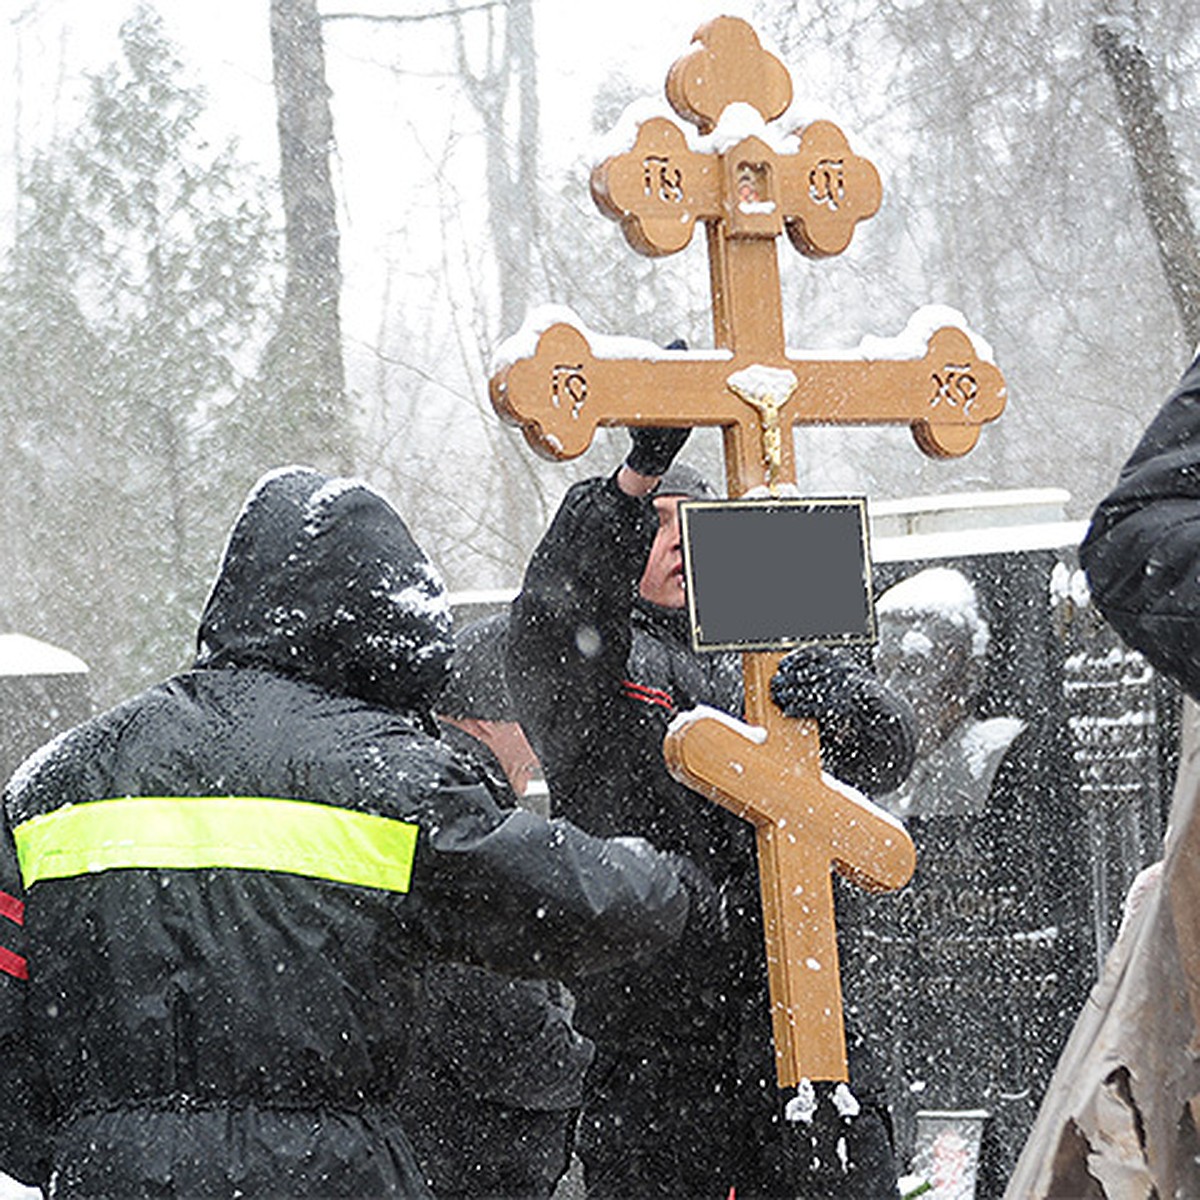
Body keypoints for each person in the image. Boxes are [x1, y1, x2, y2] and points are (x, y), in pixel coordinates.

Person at [0, 465, 712, 1198]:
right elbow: (558, 898)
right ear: (383, 633)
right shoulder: (385, 779)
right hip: (328, 1173)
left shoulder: (56, 782)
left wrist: (103, 1142)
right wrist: (681, 888)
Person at [506, 424, 917, 1199]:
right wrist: (633, 480)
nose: (676, 542)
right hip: (660, 1057)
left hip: (808, 1039)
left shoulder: (765, 660)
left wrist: (852, 702)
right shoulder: (592, 669)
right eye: (656, 524)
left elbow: (883, 761)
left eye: (690, 523)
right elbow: (552, 617)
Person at [864, 566, 1086, 1198]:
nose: (901, 687)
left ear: (967, 672)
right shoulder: (875, 788)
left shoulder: (998, 754)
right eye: (890, 666)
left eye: (921, 664)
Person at [405, 612, 593, 1199]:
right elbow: (503, 1039)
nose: (545, 740)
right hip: (472, 1165)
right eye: (538, 712)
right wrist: (611, 1072)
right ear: (490, 717)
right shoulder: (471, 824)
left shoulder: (439, 792)